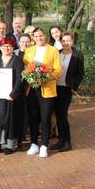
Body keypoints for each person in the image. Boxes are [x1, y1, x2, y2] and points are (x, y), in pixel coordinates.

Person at [23, 28, 62, 158]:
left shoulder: (53, 50)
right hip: (32, 89)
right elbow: (26, 68)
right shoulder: (29, 51)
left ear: (44, 36)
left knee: (45, 118)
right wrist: (30, 76)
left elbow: (58, 70)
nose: (39, 38)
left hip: (47, 89)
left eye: (41, 36)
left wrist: (46, 76)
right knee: (33, 117)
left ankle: (44, 145)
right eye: (36, 36)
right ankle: (34, 143)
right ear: (33, 38)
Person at [0, 37, 25, 154]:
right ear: (0, 48)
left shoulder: (17, 61)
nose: (6, 48)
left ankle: (10, 145)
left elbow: (20, 79)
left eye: (9, 46)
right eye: (4, 46)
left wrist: (13, 94)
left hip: (11, 98)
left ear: (13, 48)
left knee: (11, 121)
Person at [52, 32, 84, 152]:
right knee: (57, 115)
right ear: (60, 42)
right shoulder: (57, 53)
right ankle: (60, 140)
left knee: (62, 115)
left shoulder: (78, 55)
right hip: (55, 87)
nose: (66, 43)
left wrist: (73, 87)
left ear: (72, 41)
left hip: (66, 89)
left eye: (69, 40)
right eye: (64, 41)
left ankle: (67, 141)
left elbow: (80, 73)